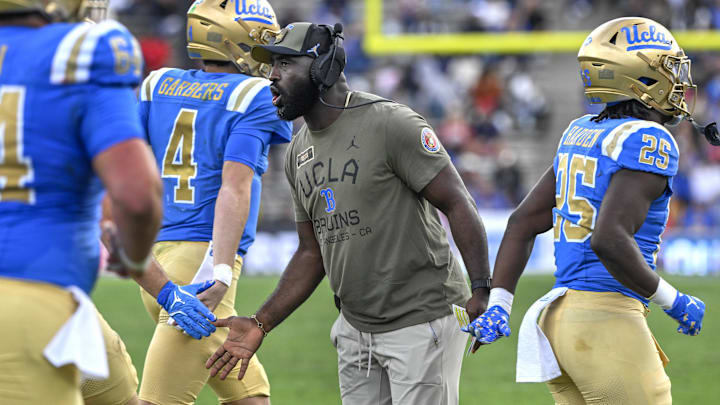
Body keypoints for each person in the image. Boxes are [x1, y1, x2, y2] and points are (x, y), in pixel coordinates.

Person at [206, 21, 493, 405]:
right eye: (272, 65)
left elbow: (458, 202)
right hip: (355, 330)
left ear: (324, 68)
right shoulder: (297, 150)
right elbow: (311, 252)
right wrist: (262, 322)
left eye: (285, 64)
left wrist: (481, 289)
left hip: (422, 321)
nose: (271, 77)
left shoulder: (391, 123)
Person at [464, 17, 707, 404]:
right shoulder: (650, 138)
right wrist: (673, 300)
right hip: (606, 320)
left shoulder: (582, 129)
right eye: (667, 69)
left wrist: (500, 304)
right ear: (639, 78)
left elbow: (522, 221)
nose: (677, 82)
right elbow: (609, 239)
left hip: (558, 323)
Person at [0, 1, 217, 404]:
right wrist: (136, 261)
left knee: (116, 389)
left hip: (52, 301)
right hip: (30, 292)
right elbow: (135, 198)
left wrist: (165, 289)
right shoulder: (80, 52)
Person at [135, 1, 292, 404]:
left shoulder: (158, 83)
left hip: (156, 259)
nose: (267, 53)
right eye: (260, 42)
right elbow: (233, 187)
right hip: (203, 264)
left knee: (248, 394)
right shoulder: (253, 93)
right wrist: (220, 269)